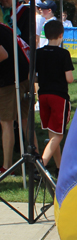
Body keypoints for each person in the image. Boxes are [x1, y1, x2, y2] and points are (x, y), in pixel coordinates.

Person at [35, 20, 74, 172]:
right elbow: (69, 78)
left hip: (43, 95)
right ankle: (42, 165)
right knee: (58, 136)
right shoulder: (63, 53)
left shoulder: (39, 53)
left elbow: (34, 76)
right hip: (58, 96)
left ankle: (59, 167)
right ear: (61, 35)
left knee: (53, 134)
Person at [0, 23, 31, 174]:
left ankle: (7, 166)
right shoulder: (4, 27)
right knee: (24, 120)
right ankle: (37, 158)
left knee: (6, 122)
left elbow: (2, 54)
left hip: (9, 81)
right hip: (23, 76)